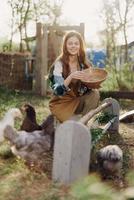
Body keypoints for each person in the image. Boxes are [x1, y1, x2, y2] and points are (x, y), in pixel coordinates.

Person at [49, 31, 100, 122]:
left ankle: (84, 124)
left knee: (94, 94)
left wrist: (92, 82)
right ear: (65, 45)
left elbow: (88, 87)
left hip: (77, 101)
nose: (73, 46)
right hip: (62, 102)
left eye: (76, 43)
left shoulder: (84, 64)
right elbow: (58, 91)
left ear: (80, 46)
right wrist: (71, 76)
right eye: (70, 43)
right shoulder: (59, 64)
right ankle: (69, 123)